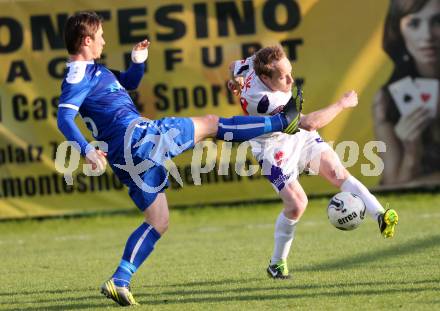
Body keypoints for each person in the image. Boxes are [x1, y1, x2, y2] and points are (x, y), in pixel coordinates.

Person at [58, 12, 303, 306]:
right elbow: (64, 117)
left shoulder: (95, 72)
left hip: (125, 157)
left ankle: (119, 280)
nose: (103, 41)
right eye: (99, 37)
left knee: (158, 221)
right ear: (86, 41)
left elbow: (130, 83)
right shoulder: (78, 74)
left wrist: (138, 61)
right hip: (138, 138)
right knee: (212, 123)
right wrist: (85, 149)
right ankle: (280, 123)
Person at [228, 45, 399, 279]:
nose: (290, 79)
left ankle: (380, 215)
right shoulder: (265, 100)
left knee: (337, 172)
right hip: (271, 148)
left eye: (290, 71)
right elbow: (309, 123)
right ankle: (277, 264)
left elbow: (232, 67)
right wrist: (342, 104)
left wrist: (236, 80)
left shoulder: (254, 63)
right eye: (282, 77)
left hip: (295, 134)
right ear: (265, 77)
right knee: (297, 204)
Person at [373, 0, 440, 185]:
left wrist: (415, 183)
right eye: (414, 23)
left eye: (437, 21)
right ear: (398, 30)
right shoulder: (386, 100)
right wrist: (412, 152)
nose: (427, 35)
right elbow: (395, 187)